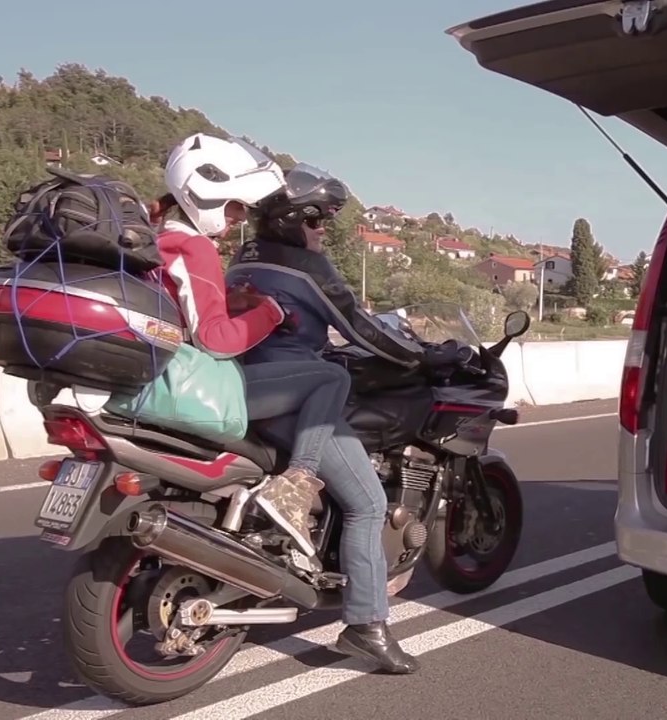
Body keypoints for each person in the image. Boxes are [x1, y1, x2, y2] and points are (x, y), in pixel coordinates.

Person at [225, 163, 426, 674]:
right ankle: (366, 626)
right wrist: (420, 357)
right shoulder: (307, 268)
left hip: (241, 388)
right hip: (289, 398)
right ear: (296, 219)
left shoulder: (242, 259)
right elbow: (361, 329)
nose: (325, 229)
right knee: (368, 502)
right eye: (320, 220)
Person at [148, 134, 350, 557]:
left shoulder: (159, 238)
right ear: (206, 195)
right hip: (195, 381)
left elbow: (184, 308)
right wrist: (271, 312)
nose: (241, 217)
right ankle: (295, 486)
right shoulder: (197, 246)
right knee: (331, 375)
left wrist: (232, 301)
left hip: (162, 368)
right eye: (236, 205)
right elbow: (216, 340)